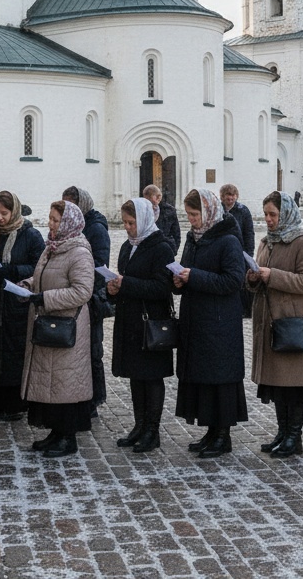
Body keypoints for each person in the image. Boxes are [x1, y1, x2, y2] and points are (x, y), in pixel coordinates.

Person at [173, 188, 247, 458]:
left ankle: (222, 435)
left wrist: (194, 277)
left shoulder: (227, 240)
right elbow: (186, 271)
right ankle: (210, 431)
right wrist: (179, 281)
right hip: (196, 319)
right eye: (189, 215)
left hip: (219, 323)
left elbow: (233, 281)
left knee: (219, 378)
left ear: (208, 212)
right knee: (203, 377)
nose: (191, 220)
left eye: (194, 214)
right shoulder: (194, 239)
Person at [20, 200, 95, 458]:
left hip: (66, 327)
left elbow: (83, 291)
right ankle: (55, 433)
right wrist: (28, 286)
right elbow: (42, 276)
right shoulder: (51, 248)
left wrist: (46, 299)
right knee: (50, 383)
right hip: (47, 325)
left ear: (68, 223)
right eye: (50, 219)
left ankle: (68, 437)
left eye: (55, 220)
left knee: (65, 383)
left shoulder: (79, 252)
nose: (50, 224)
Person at [246, 191, 303, 458]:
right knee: (278, 382)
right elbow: (259, 276)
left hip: (293, 322)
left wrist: (271, 275)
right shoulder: (266, 242)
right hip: (270, 320)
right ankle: (282, 432)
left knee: (294, 383)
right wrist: (253, 277)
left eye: (273, 214)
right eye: (266, 214)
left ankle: (294, 436)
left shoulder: (302, 243)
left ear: (285, 213)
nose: (268, 219)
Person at [106, 197, 175, 453]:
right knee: (136, 376)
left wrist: (126, 284)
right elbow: (123, 278)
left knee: (151, 378)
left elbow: (162, 287)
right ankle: (139, 425)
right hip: (130, 321)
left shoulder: (161, 248)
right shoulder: (128, 246)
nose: (127, 227)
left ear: (144, 220)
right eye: (124, 222)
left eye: (131, 222)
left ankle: (152, 430)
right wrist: (112, 288)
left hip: (151, 323)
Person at [0, 190, 45, 420]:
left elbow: (38, 267)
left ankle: (16, 404)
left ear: (14, 211)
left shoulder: (30, 235)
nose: (0, 218)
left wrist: (10, 270)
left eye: (4, 213)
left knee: (15, 352)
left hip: (17, 303)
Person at [63, 186, 111, 415]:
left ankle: (95, 399)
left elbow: (100, 264)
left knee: (93, 351)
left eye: (71, 205)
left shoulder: (96, 228)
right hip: (75, 295)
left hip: (91, 297)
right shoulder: (75, 226)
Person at [221, 183, 256, 318]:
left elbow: (249, 233)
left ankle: (241, 308)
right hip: (224, 251)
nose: (231, 198)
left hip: (240, 250)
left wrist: (248, 253)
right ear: (222, 196)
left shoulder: (243, 210)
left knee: (240, 281)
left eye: (233, 195)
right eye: (228, 195)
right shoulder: (218, 209)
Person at [144, 184, 181, 256]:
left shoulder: (169, 210)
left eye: (150, 201)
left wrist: (173, 250)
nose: (148, 204)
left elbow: (176, 233)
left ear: (159, 197)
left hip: (165, 249)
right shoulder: (143, 210)